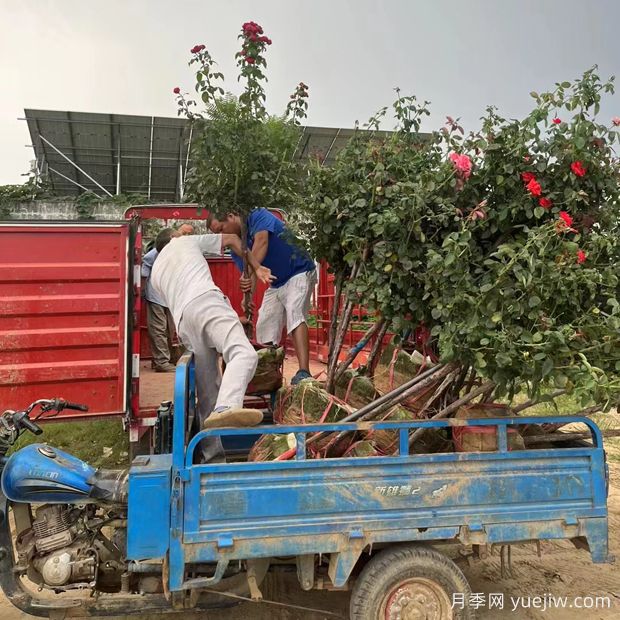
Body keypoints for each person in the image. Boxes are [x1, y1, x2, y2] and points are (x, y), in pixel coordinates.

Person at [150, 228, 274, 462]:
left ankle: (213, 457)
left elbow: (187, 301)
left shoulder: (156, 273)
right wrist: (255, 268)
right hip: (207, 300)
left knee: (207, 393)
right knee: (244, 354)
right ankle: (227, 406)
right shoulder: (185, 241)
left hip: (185, 321)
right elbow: (231, 239)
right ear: (173, 237)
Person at [208, 209, 317, 385]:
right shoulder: (235, 248)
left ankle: (304, 372)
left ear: (230, 216)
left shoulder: (257, 215)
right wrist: (247, 297)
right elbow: (249, 274)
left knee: (294, 313)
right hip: (277, 282)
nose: (222, 235)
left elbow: (261, 242)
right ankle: (268, 374)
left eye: (221, 229)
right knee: (265, 323)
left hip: (300, 270)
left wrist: (248, 274)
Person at [141, 224, 195, 372]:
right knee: (158, 329)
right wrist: (142, 289)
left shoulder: (178, 249)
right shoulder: (158, 250)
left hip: (169, 295)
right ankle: (161, 362)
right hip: (156, 294)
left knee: (169, 329)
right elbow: (145, 267)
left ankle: (161, 359)